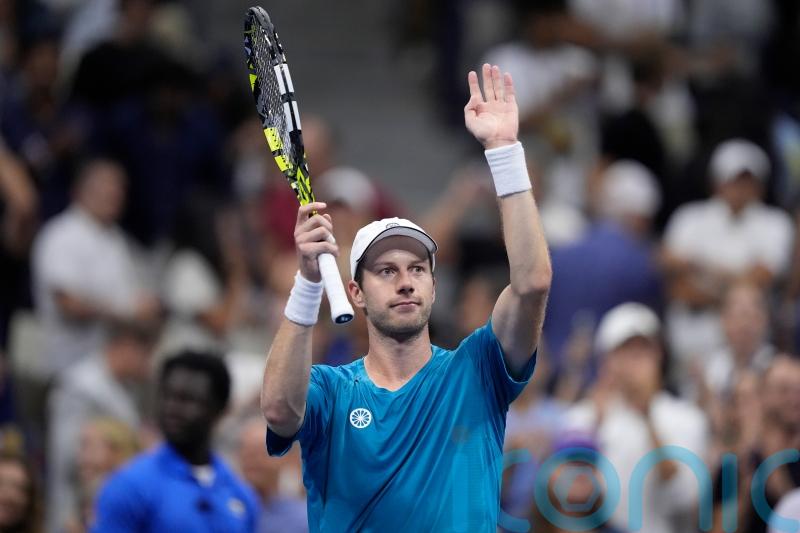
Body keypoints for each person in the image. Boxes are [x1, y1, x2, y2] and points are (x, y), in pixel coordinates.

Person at [261, 63, 552, 531]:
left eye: (418, 269)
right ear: (355, 292)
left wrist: (503, 152)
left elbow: (533, 282)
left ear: (434, 287)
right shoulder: (330, 390)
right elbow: (278, 410)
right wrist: (307, 281)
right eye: (386, 270)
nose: (405, 280)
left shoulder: (476, 369)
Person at [565, 302, 708, 533]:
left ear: (659, 355)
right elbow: (567, 497)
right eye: (626, 352)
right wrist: (596, 426)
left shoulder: (688, 418)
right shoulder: (582, 418)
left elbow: (683, 499)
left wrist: (647, 417)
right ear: (607, 361)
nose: (636, 361)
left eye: (644, 351)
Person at [91, 351, 260, 531]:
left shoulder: (240, 494)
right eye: (167, 396)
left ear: (221, 410)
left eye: (188, 400)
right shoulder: (130, 486)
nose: (172, 409)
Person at [31, 158, 160, 380]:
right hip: (73, 366)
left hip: (115, 366)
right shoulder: (62, 233)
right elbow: (68, 303)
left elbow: (134, 296)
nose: (115, 194)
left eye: (120, 188)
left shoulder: (115, 238)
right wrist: (126, 313)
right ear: (81, 190)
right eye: (107, 186)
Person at [47, 318, 157, 532]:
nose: (148, 364)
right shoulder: (80, 386)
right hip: (75, 503)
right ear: (128, 346)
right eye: (147, 354)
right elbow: (68, 454)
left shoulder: (126, 388)